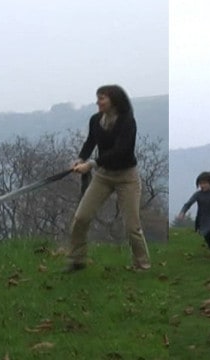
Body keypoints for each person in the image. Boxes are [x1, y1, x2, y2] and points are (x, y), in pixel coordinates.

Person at [65, 85, 151, 273]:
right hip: (104, 176)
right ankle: (77, 259)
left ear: (114, 100)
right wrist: (80, 159)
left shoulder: (127, 121)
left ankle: (142, 265)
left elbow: (122, 151)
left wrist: (91, 164)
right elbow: (90, 142)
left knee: (132, 226)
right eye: (98, 98)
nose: (98, 102)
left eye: (102, 98)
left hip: (127, 177)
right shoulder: (95, 120)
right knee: (81, 217)